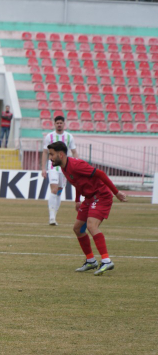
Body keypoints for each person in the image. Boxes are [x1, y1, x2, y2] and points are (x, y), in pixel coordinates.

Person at [46, 141, 127, 275]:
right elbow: (78, 182)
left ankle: (106, 261)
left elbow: (100, 174)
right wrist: (78, 200)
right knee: (78, 228)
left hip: (101, 195)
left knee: (91, 226)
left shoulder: (76, 165)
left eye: (52, 154)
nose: (50, 158)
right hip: (89, 198)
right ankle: (91, 261)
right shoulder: (64, 167)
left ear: (61, 154)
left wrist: (116, 192)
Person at [42, 115, 78, 225]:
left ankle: (54, 216)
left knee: (59, 192)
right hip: (52, 167)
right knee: (53, 189)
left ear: (64, 124)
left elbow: (74, 152)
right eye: (57, 123)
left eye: (60, 123)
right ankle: (51, 218)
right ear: (54, 124)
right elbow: (45, 152)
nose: (59, 124)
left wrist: (76, 166)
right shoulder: (49, 136)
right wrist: (43, 168)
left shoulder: (69, 137)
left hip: (65, 168)